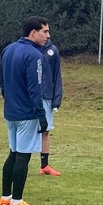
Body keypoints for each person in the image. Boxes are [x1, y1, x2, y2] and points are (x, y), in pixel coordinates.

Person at [0, 17, 51, 205]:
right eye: (45, 31)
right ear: (33, 32)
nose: (48, 36)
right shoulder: (34, 55)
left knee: (13, 153)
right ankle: (17, 201)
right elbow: (35, 87)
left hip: (10, 112)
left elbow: (2, 81)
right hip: (27, 114)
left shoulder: (8, 49)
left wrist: (10, 102)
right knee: (23, 156)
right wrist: (41, 114)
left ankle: (5, 197)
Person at [38, 35, 63, 176]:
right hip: (30, 98)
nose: (47, 35)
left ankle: (44, 165)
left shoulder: (52, 51)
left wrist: (56, 99)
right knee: (29, 131)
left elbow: (57, 76)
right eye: (44, 31)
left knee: (45, 131)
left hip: (47, 96)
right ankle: (22, 165)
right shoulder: (28, 49)